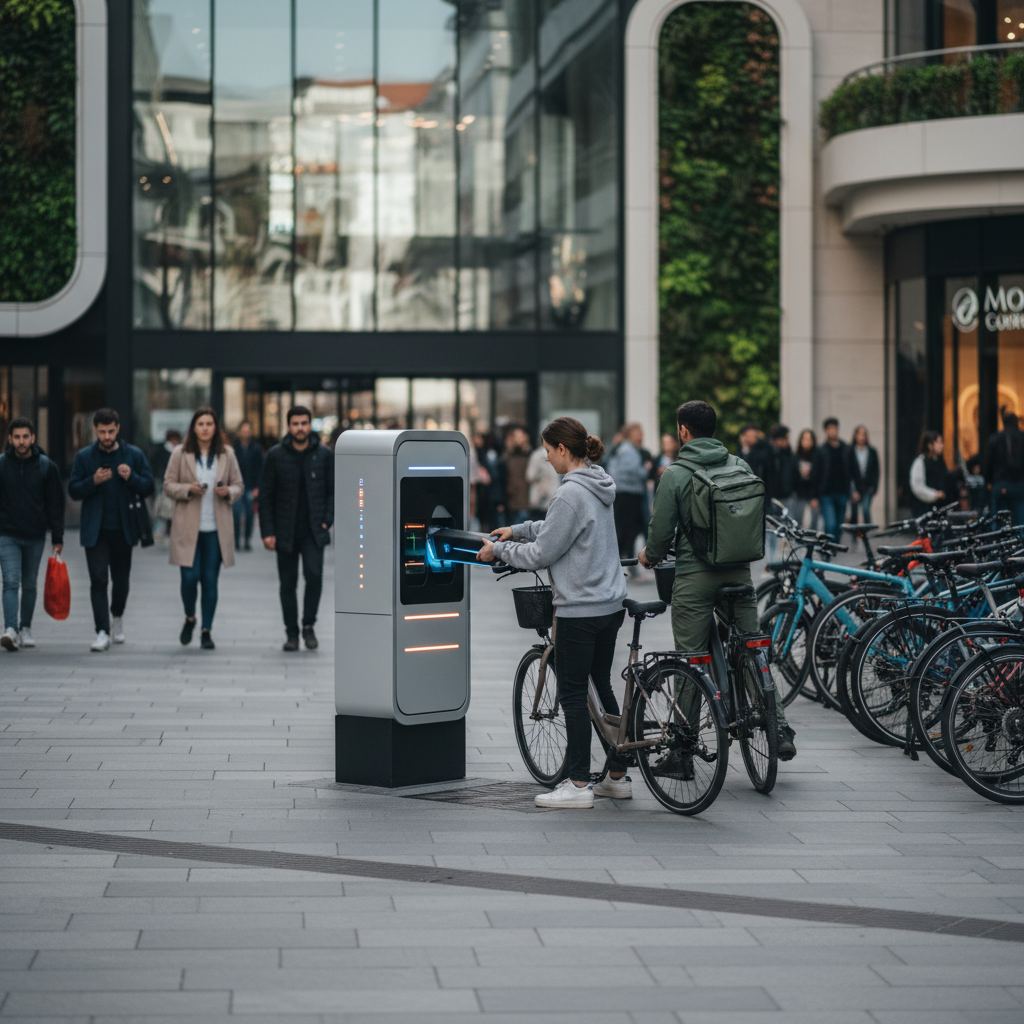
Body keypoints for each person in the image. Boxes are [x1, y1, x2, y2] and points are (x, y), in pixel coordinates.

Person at [477, 416, 629, 808]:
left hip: (580, 607)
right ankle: (617, 775)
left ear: (563, 450)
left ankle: (578, 784)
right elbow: (559, 528)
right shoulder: (597, 483)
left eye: (547, 451)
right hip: (610, 603)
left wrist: (501, 550)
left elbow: (544, 552)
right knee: (602, 684)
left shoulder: (569, 494)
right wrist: (521, 528)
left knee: (574, 695)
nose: (545, 458)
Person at [639, 400, 796, 761]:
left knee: (691, 660)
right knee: (753, 648)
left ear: (683, 431)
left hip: (695, 577)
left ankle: (682, 750)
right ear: (714, 429)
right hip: (740, 573)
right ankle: (779, 729)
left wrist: (649, 556)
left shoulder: (675, 474)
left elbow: (660, 536)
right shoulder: (739, 465)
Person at [68, 408, 154, 652]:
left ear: (118, 429)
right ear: (95, 430)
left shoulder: (133, 455)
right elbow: (73, 490)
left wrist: (132, 477)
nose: (107, 436)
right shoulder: (85, 457)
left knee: (121, 581)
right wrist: (92, 481)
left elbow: (148, 486)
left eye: (111, 431)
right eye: (102, 431)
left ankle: (117, 615)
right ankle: (102, 631)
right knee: (98, 580)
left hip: (124, 528)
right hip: (95, 530)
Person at [163, 407, 243, 650]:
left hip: (216, 529)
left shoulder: (227, 453)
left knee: (209, 580)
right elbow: (168, 485)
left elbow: (239, 485)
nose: (205, 428)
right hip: (188, 527)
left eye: (209, 424)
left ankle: (206, 629)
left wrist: (227, 492)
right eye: (201, 424)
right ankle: (190, 618)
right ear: (194, 428)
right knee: (189, 577)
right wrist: (189, 489)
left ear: (215, 428)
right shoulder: (180, 453)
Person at [259, 406, 334, 651]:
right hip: (284, 530)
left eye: (304, 423)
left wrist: (327, 519)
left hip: (314, 530)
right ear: (288, 426)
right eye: (295, 424)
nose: (300, 428)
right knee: (287, 583)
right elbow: (266, 496)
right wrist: (267, 531)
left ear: (310, 425)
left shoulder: (323, 455)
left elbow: (334, 491)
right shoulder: (275, 455)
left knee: (314, 576)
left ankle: (308, 625)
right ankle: (291, 633)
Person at [0, 417, 64, 651]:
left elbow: (55, 504)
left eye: (25, 436)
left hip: (36, 535)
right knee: (10, 582)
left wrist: (58, 537)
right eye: (16, 437)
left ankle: (25, 627)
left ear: (33, 438)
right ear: (10, 439)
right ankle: (10, 629)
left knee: (29, 584)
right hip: (7, 534)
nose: (21, 442)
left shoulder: (46, 467)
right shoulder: (2, 465)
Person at [605, 423, 648, 562]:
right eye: (639, 433)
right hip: (629, 495)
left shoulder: (623, 449)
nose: (641, 436)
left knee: (624, 528)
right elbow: (631, 472)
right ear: (631, 434)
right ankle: (624, 560)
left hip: (624, 494)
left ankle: (621, 560)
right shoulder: (629, 450)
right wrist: (645, 470)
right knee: (628, 529)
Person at [812, 417, 854, 541]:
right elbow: (816, 474)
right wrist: (814, 496)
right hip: (826, 494)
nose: (832, 431)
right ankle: (829, 547)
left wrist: (857, 491)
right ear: (826, 431)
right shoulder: (821, 451)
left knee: (839, 526)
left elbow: (854, 470)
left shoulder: (846, 449)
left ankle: (834, 548)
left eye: (834, 428)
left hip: (842, 492)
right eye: (829, 429)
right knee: (830, 524)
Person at [983, 411, 1024, 524]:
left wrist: (989, 482)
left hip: (1000, 485)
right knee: (1020, 523)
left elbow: (988, 464)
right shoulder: (1022, 438)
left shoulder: (995, 439)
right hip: (1020, 486)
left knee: (1000, 522)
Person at [232, 421, 264, 551]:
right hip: (236, 486)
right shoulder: (233, 449)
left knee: (250, 514)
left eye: (248, 431)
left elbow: (260, 469)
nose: (246, 434)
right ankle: (236, 540)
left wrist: (258, 487)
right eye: (243, 431)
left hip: (251, 486)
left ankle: (246, 539)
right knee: (236, 514)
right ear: (239, 432)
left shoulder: (256, 449)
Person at [767, 425, 797, 560]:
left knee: (789, 528)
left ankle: (786, 557)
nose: (787, 441)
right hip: (772, 498)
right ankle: (772, 559)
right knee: (773, 530)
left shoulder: (789, 453)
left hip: (787, 495)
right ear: (777, 439)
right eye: (785, 438)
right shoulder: (769, 454)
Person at [909, 430, 951, 516]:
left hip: (939, 507)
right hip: (924, 508)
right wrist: (934, 494)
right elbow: (917, 486)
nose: (941, 446)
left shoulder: (940, 461)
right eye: (938, 442)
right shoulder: (920, 462)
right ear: (930, 445)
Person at [151, 429, 182, 540]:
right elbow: (155, 465)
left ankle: (168, 530)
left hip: (174, 481)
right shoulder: (163, 451)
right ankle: (160, 529)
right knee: (162, 506)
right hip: (162, 480)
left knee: (170, 506)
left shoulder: (180, 451)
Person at [850, 425, 880, 525]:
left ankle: (867, 532)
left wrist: (874, 487)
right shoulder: (850, 451)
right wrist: (852, 489)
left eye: (864, 434)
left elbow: (876, 471)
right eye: (860, 434)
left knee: (865, 509)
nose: (862, 437)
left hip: (867, 486)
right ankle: (855, 535)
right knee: (854, 512)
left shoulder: (872, 452)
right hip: (855, 486)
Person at [501, 426, 532, 525]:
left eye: (520, 436)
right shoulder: (507, 456)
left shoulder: (530, 455)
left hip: (526, 500)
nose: (518, 439)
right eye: (516, 436)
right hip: (511, 500)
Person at [791, 429, 819, 530]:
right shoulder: (795, 457)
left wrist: (815, 496)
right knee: (798, 520)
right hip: (799, 494)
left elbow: (819, 478)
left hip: (814, 494)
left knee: (814, 522)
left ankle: (811, 544)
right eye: (805, 439)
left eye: (809, 439)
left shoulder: (817, 456)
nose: (807, 441)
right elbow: (793, 476)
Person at [737, 424, 775, 497]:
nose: (754, 438)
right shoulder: (739, 453)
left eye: (755, 436)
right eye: (751, 436)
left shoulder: (763, 451)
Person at [525, 439, 559, 518]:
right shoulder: (557, 454)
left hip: (539, 496)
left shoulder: (536, 455)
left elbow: (530, 476)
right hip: (553, 495)